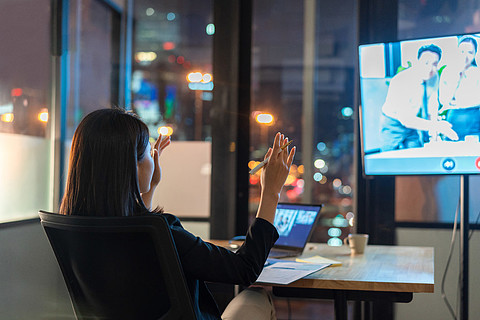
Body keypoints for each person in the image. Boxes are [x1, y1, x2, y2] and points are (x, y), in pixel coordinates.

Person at [59, 108, 296, 320]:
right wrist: (271, 193)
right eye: (146, 153)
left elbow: (132, 239)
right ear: (132, 166)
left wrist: (149, 188)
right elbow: (245, 269)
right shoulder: (161, 232)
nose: (152, 159)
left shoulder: (68, 229)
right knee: (256, 298)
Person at [380, 44, 459, 152]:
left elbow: (432, 102)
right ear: (417, 62)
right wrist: (437, 126)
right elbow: (406, 120)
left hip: (412, 120)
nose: (430, 68)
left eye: (434, 64)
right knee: (388, 157)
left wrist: (434, 134)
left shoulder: (434, 76)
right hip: (393, 122)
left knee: (415, 152)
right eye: (426, 63)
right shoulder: (401, 81)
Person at [439, 36, 480, 141]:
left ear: (475, 54)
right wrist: (457, 74)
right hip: (453, 118)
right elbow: (444, 100)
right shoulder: (448, 71)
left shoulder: (477, 72)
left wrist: (458, 102)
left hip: (473, 119)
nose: (465, 56)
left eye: (470, 52)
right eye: (462, 51)